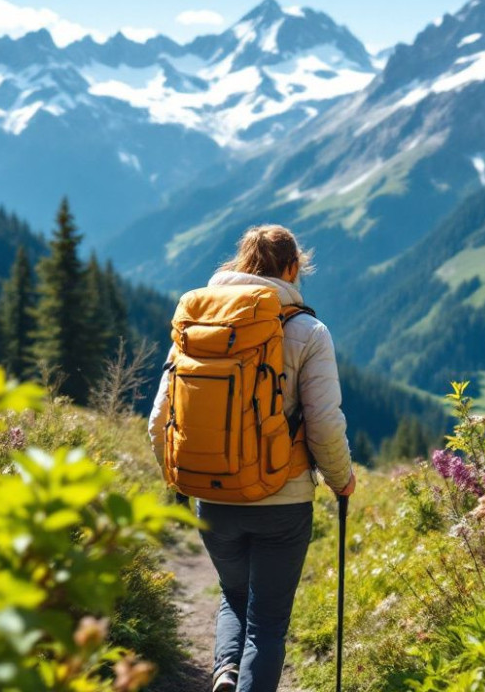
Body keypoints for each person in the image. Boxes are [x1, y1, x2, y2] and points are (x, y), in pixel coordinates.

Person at [149, 224, 356, 692]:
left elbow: (160, 418)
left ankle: (224, 671)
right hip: (282, 500)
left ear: (242, 264)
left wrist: (180, 477)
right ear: (292, 267)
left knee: (233, 594)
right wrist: (342, 479)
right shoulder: (308, 331)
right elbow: (324, 424)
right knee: (266, 621)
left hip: (212, 495)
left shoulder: (197, 325)